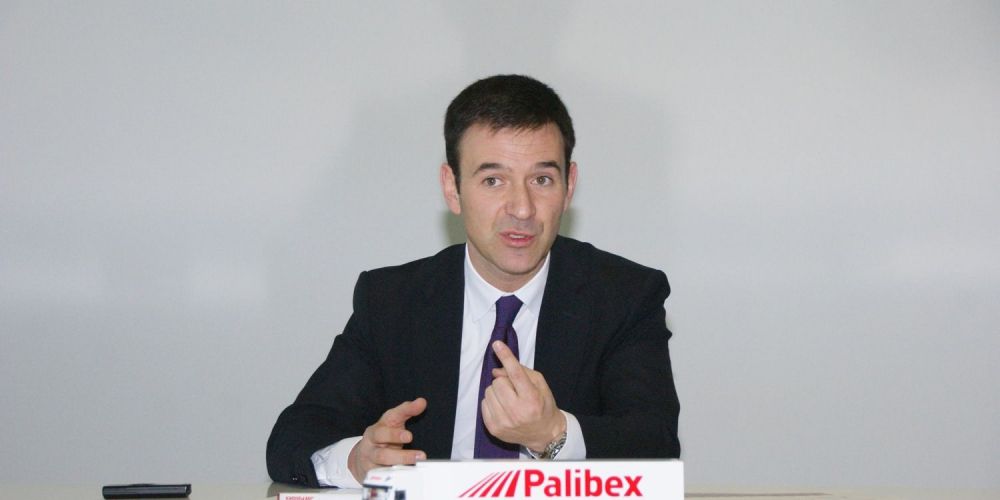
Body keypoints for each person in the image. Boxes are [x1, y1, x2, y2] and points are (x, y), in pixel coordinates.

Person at [266, 74, 680, 488]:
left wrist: (553, 434)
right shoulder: (392, 300)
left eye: (541, 180)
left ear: (569, 186)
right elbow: (294, 438)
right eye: (493, 180)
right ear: (452, 188)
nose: (522, 209)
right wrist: (357, 460)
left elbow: (656, 443)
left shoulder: (625, 296)